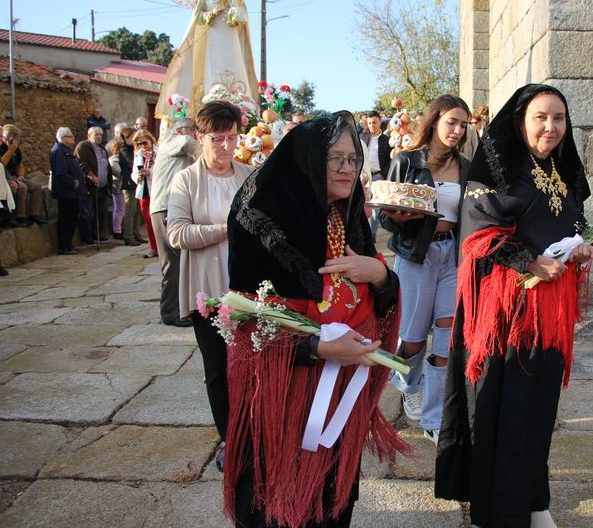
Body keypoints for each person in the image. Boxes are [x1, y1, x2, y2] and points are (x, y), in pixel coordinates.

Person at [224, 111, 406, 527]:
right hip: (285, 394)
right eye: (334, 158)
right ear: (307, 160)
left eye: (353, 158)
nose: (347, 168)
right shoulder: (261, 221)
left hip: (340, 390)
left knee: (331, 496)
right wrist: (318, 348)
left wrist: (380, 275)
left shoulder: (347, 215)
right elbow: (246, 328)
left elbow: (378, 296)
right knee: (277, 497)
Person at [435, 84, 593, 528]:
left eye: (559, 118)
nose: (551, 127)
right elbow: (478, 236)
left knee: (539, 411)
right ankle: (502, 510)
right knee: (506, 409)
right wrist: (529, 261)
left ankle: (532, 499)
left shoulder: (563, 171)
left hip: (551, 316)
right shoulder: (496, 172)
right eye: (541, 117)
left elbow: (571, 226)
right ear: (522, 120)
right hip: (507, 316)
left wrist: (580, 250)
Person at [377, 94, 471, 443]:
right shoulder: (406, 160)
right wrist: (396, 217)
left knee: (446, 336)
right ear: (435, 121)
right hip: (417, 254)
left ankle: (434, 417)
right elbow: (386, 214)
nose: (457, 130)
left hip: (453, 256)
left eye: (463, 124)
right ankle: (406, 383)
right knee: (413, 338)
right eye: (452, 122)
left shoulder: (466, 167)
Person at [167, 101, 254, 469]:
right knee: (217, 368)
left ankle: (254, 431)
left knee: (250, 364)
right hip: (207, 288)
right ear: (200, 137)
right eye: (217, 139)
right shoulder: (186, 179)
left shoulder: (249, 175)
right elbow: (176, 233)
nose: (225, 146)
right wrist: (224, 230)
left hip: (248, 287)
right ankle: (229, 438)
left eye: (232, 137)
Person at [156, 0, 257, 120]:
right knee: (213, 66)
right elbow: (198, 18)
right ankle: (212, 98)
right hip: (213, 35)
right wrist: (211, 14)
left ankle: (241, 102)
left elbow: (241, 11)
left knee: (234, 62)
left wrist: (232, 13)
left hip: (230, 35)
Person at [150, 118, 199, 327]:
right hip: (165, 208)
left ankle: (182, 308)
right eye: (193, 130)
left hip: (175, 206)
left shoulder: (181, 146)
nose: (196, 134)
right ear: (180, 130)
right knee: (172, 262)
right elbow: (188, 144)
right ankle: (170, 313)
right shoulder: (173, 142)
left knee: (181, 262)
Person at [50, 127, 87, 255]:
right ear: (63, 138)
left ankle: (68, 244)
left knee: (72, 218)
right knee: (66, 219)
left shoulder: (65, 150)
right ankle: (64, 246)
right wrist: (74, 183)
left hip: (72, 193)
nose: (73, 138)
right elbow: (61, 173)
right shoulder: (59, 151)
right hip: (66, 192)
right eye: (70, 136)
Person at [0, 124, 46, 226]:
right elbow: (1, 164)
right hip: (5, 177)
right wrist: (10, 151)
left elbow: (20, 165)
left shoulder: (16, 149)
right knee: (22, 187)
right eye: (11, 135)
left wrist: (21, 175)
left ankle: (34, 214)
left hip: (16, 176)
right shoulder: (0, 148)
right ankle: (20, 216)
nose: (13, 138)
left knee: (36, 187)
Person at [74, 126, 111, 245]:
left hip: (102, 187)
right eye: (96, 135)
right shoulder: (83, 147)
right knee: (87, 213)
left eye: (101, 134)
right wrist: (91, 175)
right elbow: (80, 163)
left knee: (101, 212)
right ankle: (87, 237)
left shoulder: (102, 149)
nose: (99, 137)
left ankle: (97, 235)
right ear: (89, 136)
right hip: (89, 187)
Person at [132, 129, 159, 258]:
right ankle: (154, 247)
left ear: (150, 140)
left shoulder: (159, 153)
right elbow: (133, 173)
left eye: (144, 143)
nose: (142, 146)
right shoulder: (138, 154)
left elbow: (164, 171)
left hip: (156, 189)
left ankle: (162, 246)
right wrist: (138, 176)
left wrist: (150, 172)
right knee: (148, 220)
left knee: (157, 220)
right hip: (143, 190)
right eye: (139, 144)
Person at [117, 127, 145, 246]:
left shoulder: (135, 149)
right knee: (130, 210)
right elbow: (131, 163)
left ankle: (136, 233)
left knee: (138, 211)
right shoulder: (124, 150)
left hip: (137, 183)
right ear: (126, 138)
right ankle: (128, 236)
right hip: (128, 184)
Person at [106, 139, 125, 240]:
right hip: (118, 187)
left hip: (125, 186)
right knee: (119, 209)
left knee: (125, 209)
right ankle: (117, 230)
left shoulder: (123, 158)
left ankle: (122, 227)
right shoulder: (113, 159)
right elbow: (118, 171)